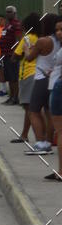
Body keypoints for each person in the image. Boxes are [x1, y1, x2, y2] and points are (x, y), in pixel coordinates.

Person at [26, 13, 60, 153]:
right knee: (48, 112)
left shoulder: (42, 41)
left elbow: (29, 58)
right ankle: (48, 141)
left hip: (41, 78)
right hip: (54, 79)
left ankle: (40, 142)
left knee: (33, 111)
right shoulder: (57, 41)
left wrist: (26, 48)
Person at [10, 13, 39, 145]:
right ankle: (25, 134)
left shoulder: (26, 38)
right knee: (35, 108)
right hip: (39, 74)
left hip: (27, 74)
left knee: (30, 109)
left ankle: (38, 138)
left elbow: (15, 56)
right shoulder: (40, 38)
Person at [47, 20, 62, 181]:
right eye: (57, 29)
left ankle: (61, 171)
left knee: (60, 132)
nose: (59, 33)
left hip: (59, 88)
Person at [0, 5, 23, 104]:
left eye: (10, 12)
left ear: (14, 13)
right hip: (5, 55)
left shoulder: (16, 24)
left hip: (11, 56)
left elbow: (18, 41)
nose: (8, 13)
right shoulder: (7, 25)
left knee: (13, 78)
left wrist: (15, 54)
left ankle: (15, 98)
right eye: (7, 12)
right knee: (8, 77)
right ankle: (11, 96)